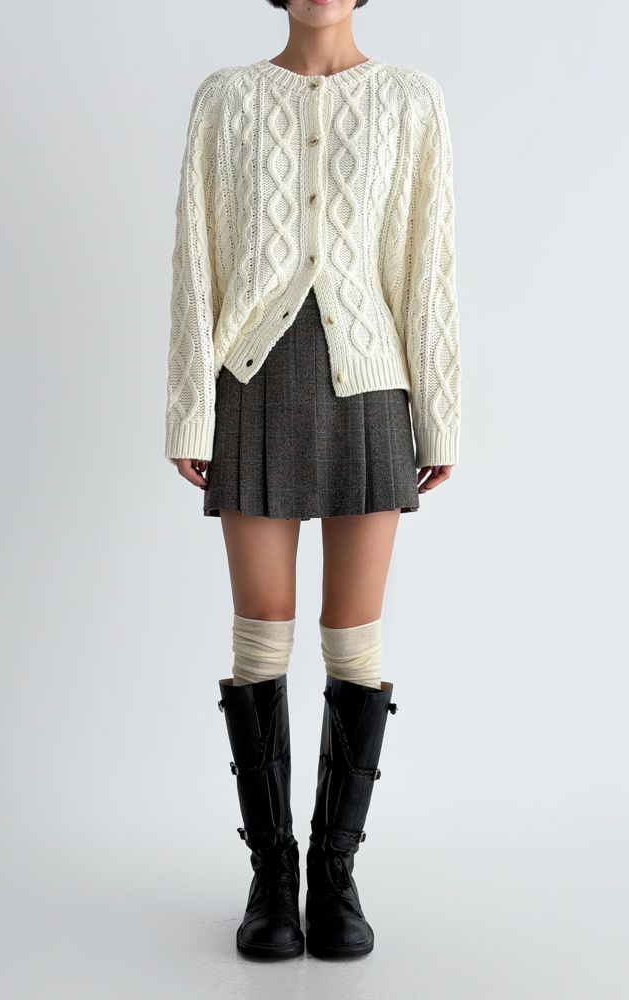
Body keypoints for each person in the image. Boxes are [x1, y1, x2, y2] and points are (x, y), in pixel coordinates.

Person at [164, 0, 461, 961]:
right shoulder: (225, 98)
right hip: (251, 382)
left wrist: (438, 410)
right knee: (261, 633)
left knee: (353, 637)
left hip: (369, 381)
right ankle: (271, 878)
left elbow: (426, 262)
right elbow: (196, 256)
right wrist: (189, 407)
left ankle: (335, 875)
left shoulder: (411, 100)